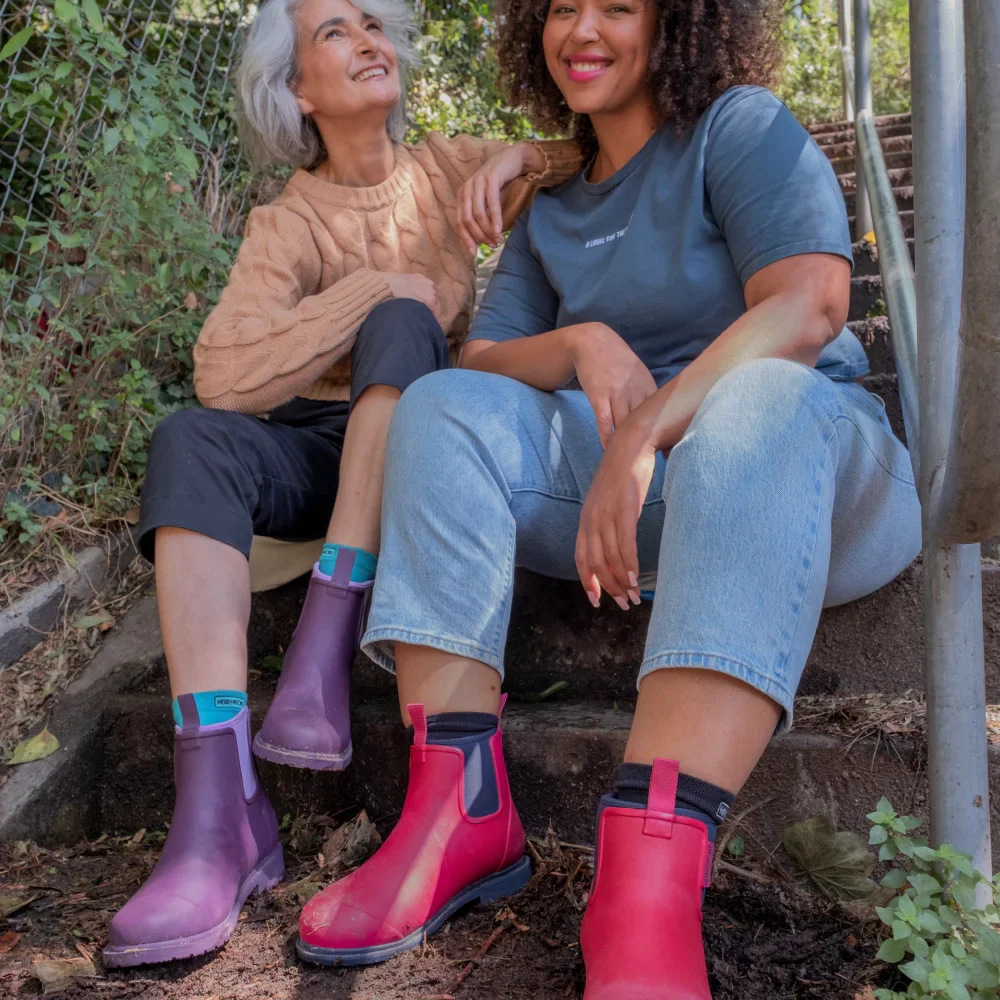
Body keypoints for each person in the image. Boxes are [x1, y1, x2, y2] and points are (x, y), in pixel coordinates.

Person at [295, 0, 922, 994]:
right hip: (647, 512)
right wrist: (585, 343)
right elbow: (489, 355)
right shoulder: (549, 201)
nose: (582, 30)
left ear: (674, 24)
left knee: (753, 400)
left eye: (617, 7)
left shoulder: (739, 129)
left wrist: (641, 427)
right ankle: (454, 810)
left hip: (808, 479)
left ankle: (645, 884)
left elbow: (810, 304)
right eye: (561, 8)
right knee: (442, 405)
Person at [102, 0, 579, 968]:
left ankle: (327, 645)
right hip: (318, 452)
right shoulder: (285, 222)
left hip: (429, 451)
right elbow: (224, 376)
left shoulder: (445, 165)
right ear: (295, 92)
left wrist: (515, 161)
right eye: (334, 33)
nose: (366, 42)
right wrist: (372, 290)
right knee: (191, 438)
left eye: (372, 25)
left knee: (408, 334)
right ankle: (217, 817)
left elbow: (583, 148)